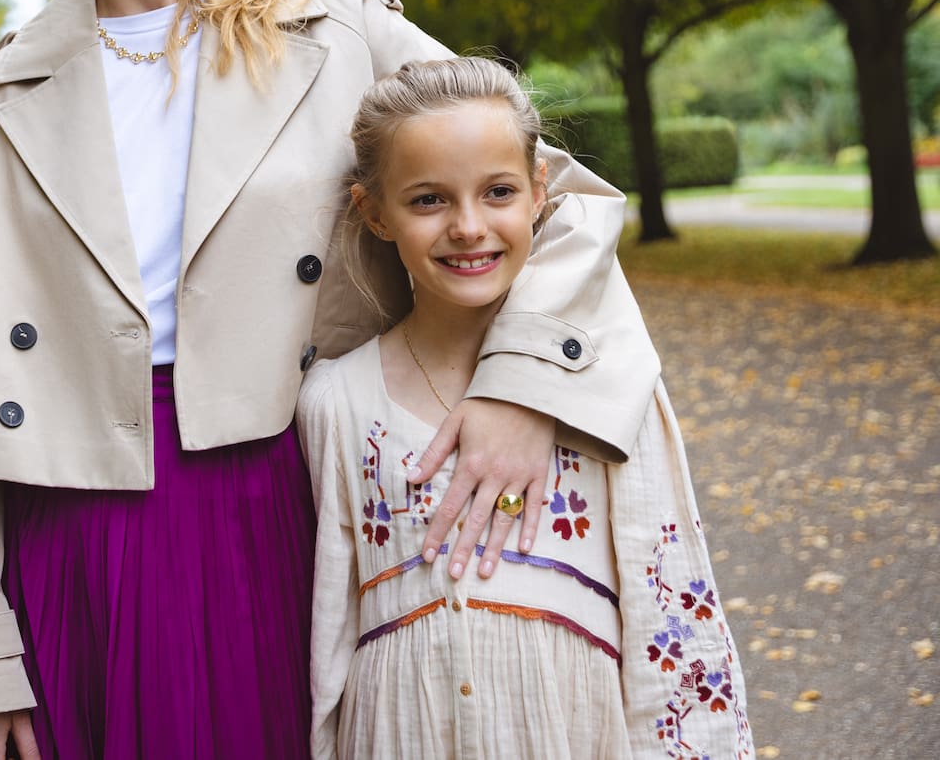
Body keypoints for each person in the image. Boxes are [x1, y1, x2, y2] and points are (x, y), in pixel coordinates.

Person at [0, 0, 662, 759]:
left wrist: (519, 387)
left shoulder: (337, 33)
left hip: (290, 504)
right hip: (72, 536)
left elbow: (561, 202)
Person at [300, 57, 751, 758]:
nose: (468, 226)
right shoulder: (335, 400)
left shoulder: (611, 386)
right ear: (374, 212)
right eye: (428, 200)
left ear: (541, 191)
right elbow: (328, 629)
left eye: (499, 191)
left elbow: (672, 618)